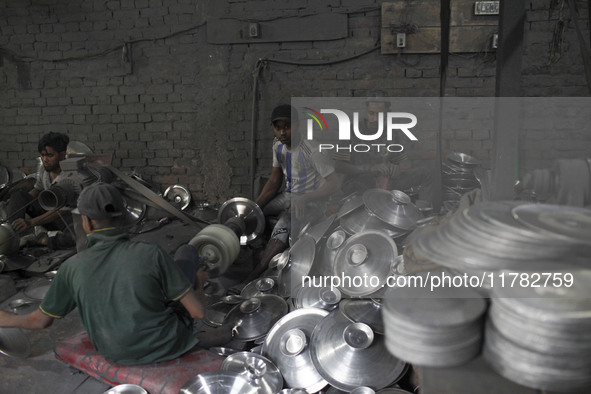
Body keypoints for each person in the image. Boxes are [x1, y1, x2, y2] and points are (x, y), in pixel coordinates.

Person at [0, 182, 231, 365]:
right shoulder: (150, 253)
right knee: (187, 252)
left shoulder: (71, 267)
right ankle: (194, 341)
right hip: (167, 345)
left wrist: (5, 319)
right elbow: (198, 312)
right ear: (123, 217)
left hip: (114, 353)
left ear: (87, 223)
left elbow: (39, 322)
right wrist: (198, 283)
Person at [246, 104, 341, 283]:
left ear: (297, 125)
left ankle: (256, 272)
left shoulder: (312, 150)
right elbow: (274, 181)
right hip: (289, 195)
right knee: (253, 216)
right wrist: (254, 207)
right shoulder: (278, 146)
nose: (282, 132)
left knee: (285, 221)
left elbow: (334, 183)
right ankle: (252, 254)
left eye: (287, 127)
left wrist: (306, 198)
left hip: (314, 200)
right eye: (278, 128)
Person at [333, 91, 433, 202]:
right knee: (363, 184)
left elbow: (400, 163)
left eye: (380, 114)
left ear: (387, 113)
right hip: (359, 182)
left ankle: (423, 215)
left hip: (386, 182)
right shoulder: (350, 131)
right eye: (371, 113)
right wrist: (370, 168)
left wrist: (396, 168)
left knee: (425, 174)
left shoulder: (392, 134)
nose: (375, 119)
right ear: (366, 112)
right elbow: (338, 166)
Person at [7, 131, 75, 249]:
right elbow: (37, 189)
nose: (45, 159)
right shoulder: (45, 169)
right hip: (48, 212)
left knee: (74, 236)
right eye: (42, 155)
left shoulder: (70, 176)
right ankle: (12, 236)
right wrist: (16, 204)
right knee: (18, 195)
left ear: (63, 155)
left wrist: (30, 223)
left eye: (50, 155)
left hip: (65, 219)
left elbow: (60, 210)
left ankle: (45, 241)